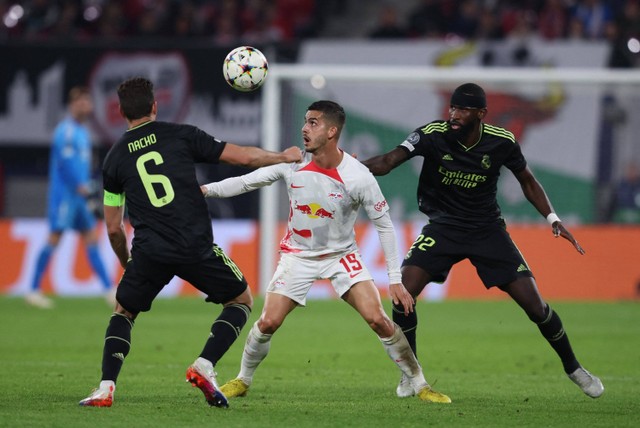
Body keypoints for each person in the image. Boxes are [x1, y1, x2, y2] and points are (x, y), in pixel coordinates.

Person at [362, 83, 604, 399]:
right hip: (443, 228)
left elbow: (527, 181)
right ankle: (411, 374)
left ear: (481, 114)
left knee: (536, 306)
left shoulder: (501, 142)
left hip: (487, 230)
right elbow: (388, 162)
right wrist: (346, 164)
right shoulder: (432, 134)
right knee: (402, 293)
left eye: (462, 109)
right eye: (452, 108)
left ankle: (574, 369)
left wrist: (553, 219)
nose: (453, 115)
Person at [201, 100, 451, 404]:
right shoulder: (291, 163)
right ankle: (243, 379)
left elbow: (384, 226)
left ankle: (419, 383)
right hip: (298, 255)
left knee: (379, 320)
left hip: (341, 256)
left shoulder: (358, 176)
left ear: (332, 131)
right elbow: (244, 182)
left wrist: (395, 280)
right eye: (305, 121)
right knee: (267, 322)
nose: (304, 128)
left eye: (313, 123)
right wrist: (205, 190)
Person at [78, 77, 302, 408]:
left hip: (150, 250)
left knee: (123, 312)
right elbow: (241, 157)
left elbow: (113, 227)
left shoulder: (114, 159)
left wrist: (127, 262)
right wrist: (281, 156)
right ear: (154, 107)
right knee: (240, 299)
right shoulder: (181, 135)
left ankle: (106, 387)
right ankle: (205, 364)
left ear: (122, 112)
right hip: (193, 244)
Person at [27, 86, 113, 309]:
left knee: (91, 238)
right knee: (54, 237)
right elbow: (65, 164)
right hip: (65, 196)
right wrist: (82, 187)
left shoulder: (83, 133)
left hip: (80, 198)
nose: (86, 105)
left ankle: (109, 290)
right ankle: (33, 290)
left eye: (88, 101)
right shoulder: (65, 131)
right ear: (72, 105)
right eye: (81, 101)